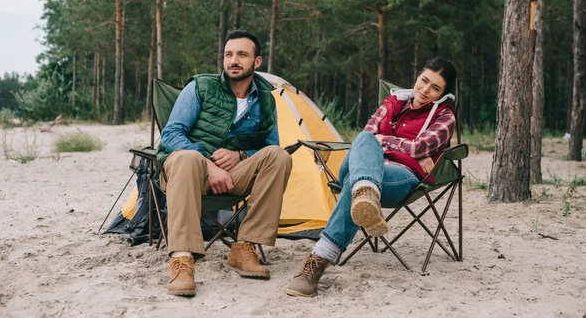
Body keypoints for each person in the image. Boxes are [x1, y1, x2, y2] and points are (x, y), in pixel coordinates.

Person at [286, 57, 457, 297]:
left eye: (435, 88)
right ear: (417, 77)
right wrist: (399, 147)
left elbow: (421, 147)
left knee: (353, 183)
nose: (425, 90)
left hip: (400, 176)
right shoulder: (393, 102)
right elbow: (368, 137)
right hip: (363, 164)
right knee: (365, 141)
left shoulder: (444, 116)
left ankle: (317, 262)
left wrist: (383, 141)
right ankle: (366, 192)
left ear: (442, 94)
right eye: (424, 81)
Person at [157, 30, 293, 297]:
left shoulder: (266, 99)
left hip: (233, 175)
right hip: (187, 171)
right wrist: (208, 164)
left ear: (257, 62)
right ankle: (182, 259)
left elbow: (269, 146)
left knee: (280, 156)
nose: (233, 60)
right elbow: (171, 134)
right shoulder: (200, 86)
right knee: (187, 157)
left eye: (242, 55)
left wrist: (241, 155)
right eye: (229, 54)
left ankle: (244, 248)